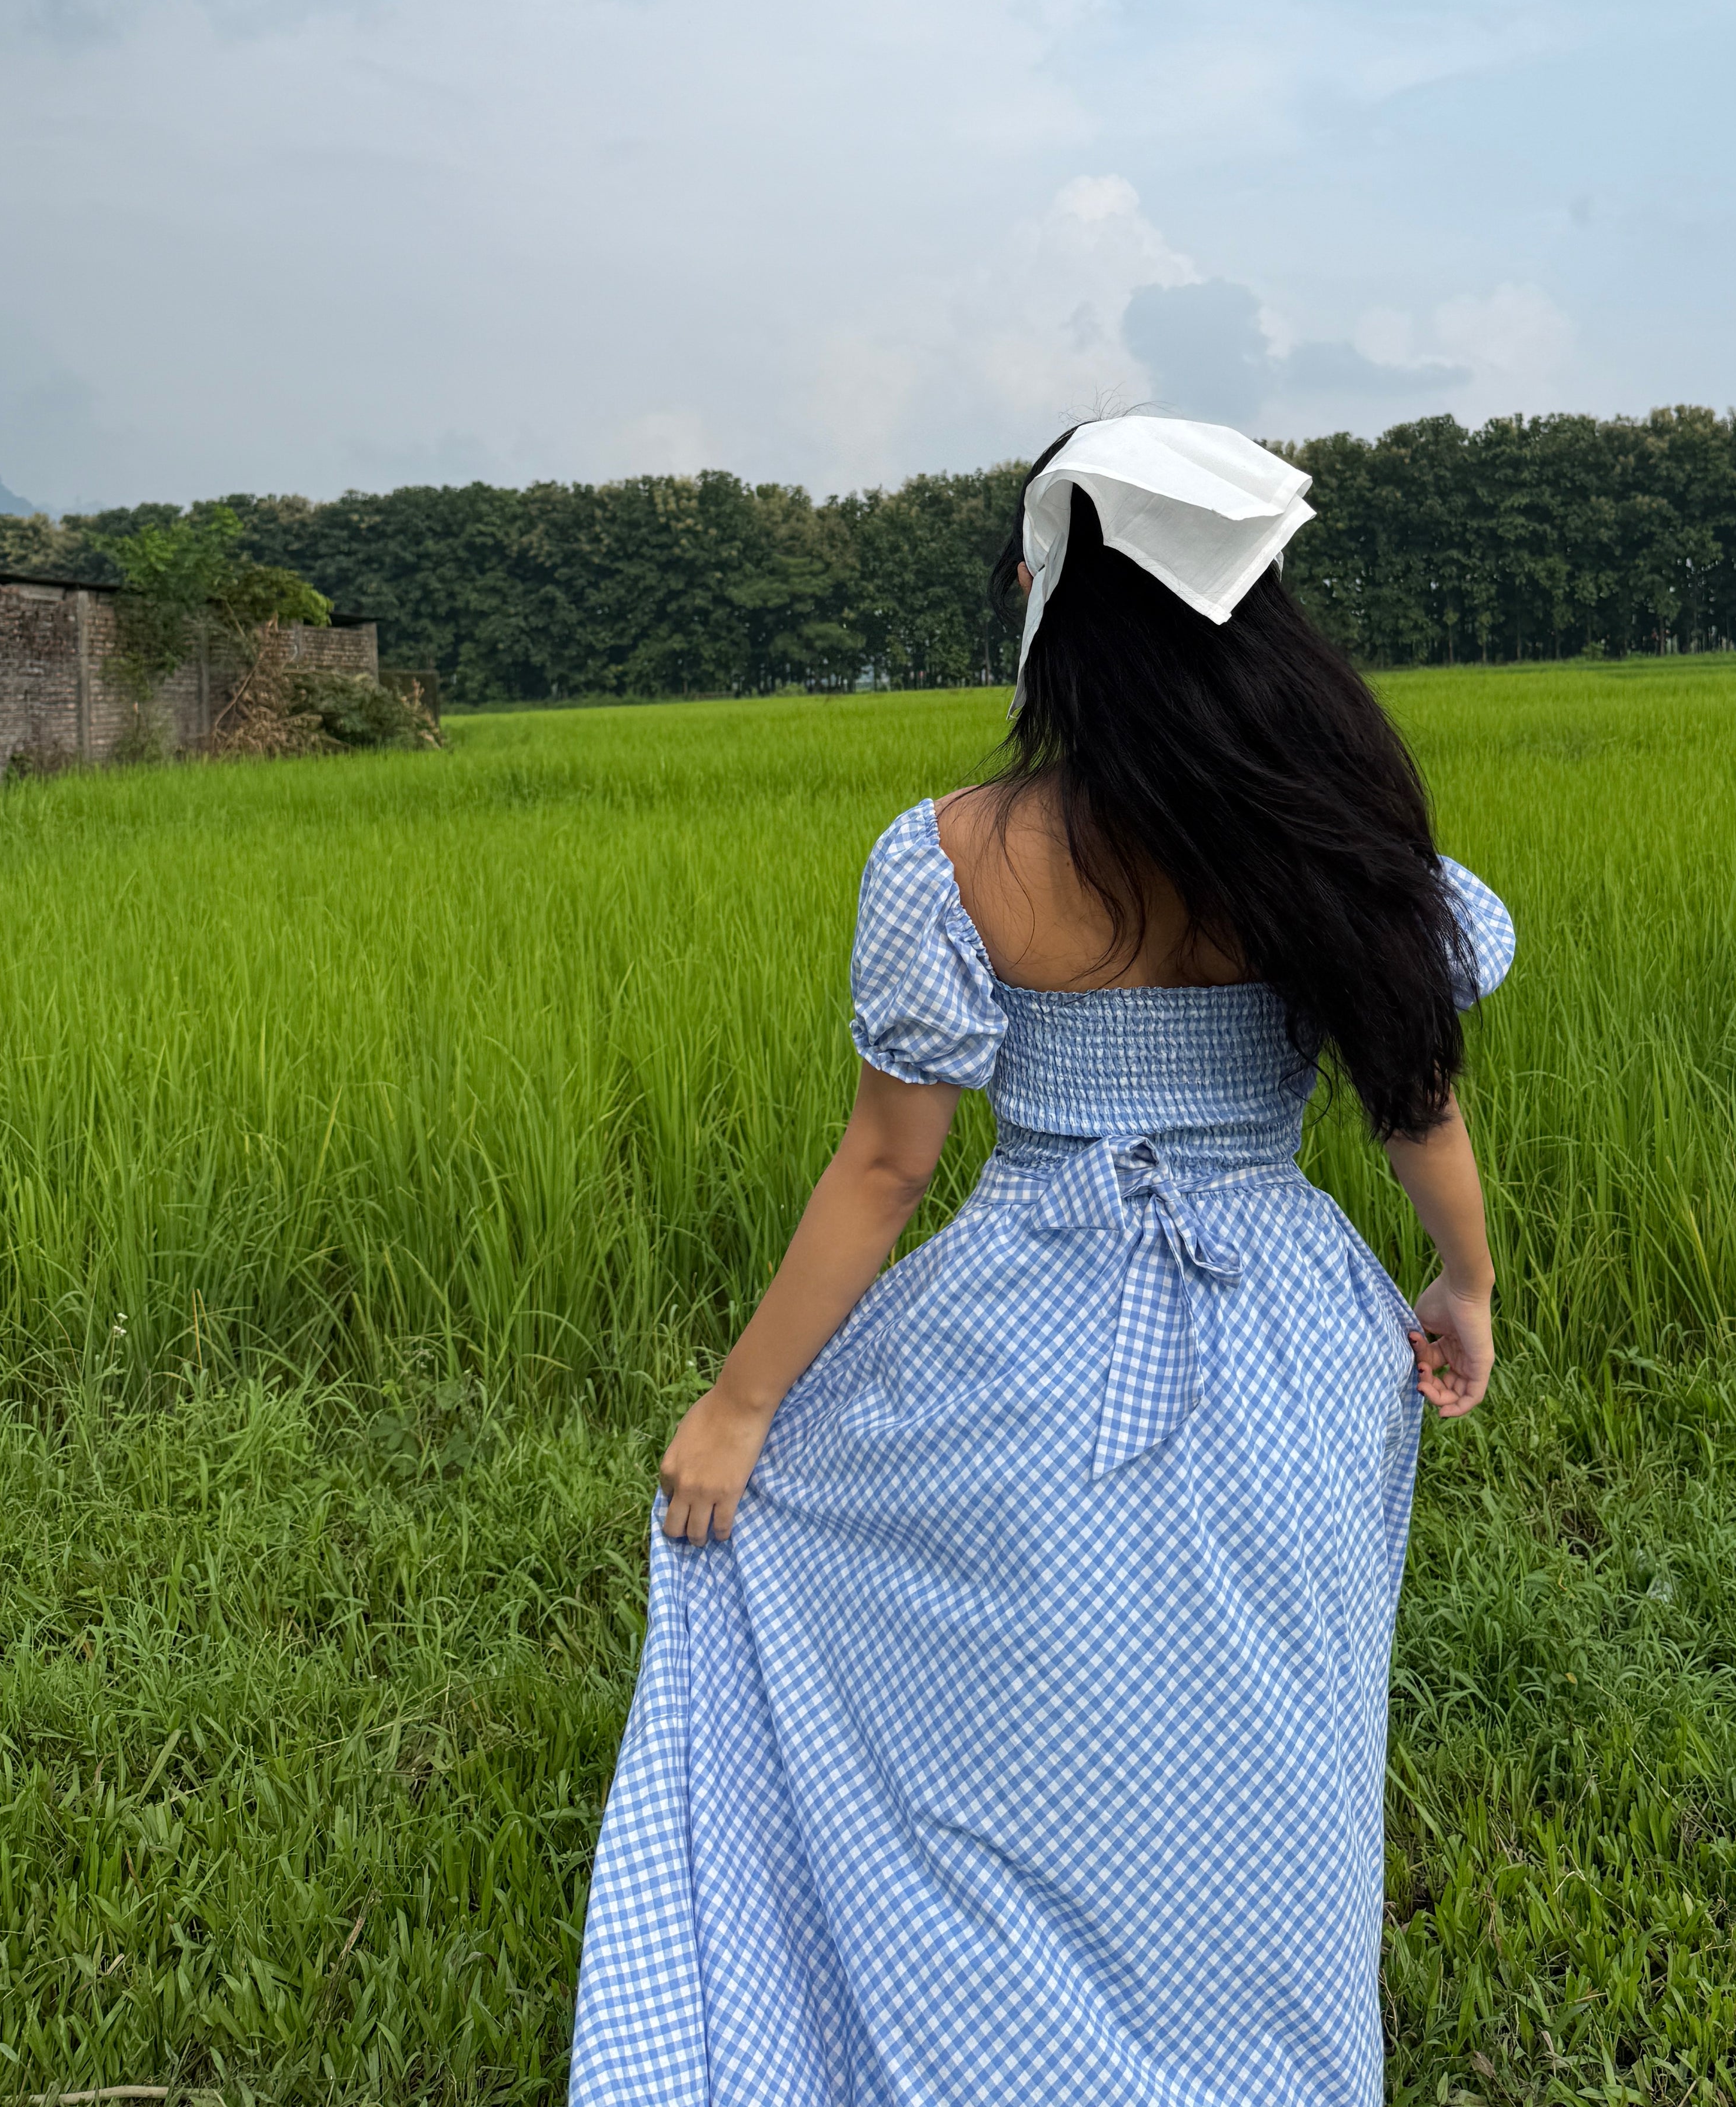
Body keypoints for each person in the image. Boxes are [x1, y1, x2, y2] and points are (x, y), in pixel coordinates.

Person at [569, 416, 1515, 2107]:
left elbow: (887, 1163)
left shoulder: (960, 854)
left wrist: (740, 1405)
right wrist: (1466, 1286)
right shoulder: (1334, 827)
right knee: (1268, 1744)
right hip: (1296, 1341)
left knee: (1026, 1725)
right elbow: (1412, 1096)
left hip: (1026, 1331)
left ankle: (1006, 2033)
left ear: (1058, 598)